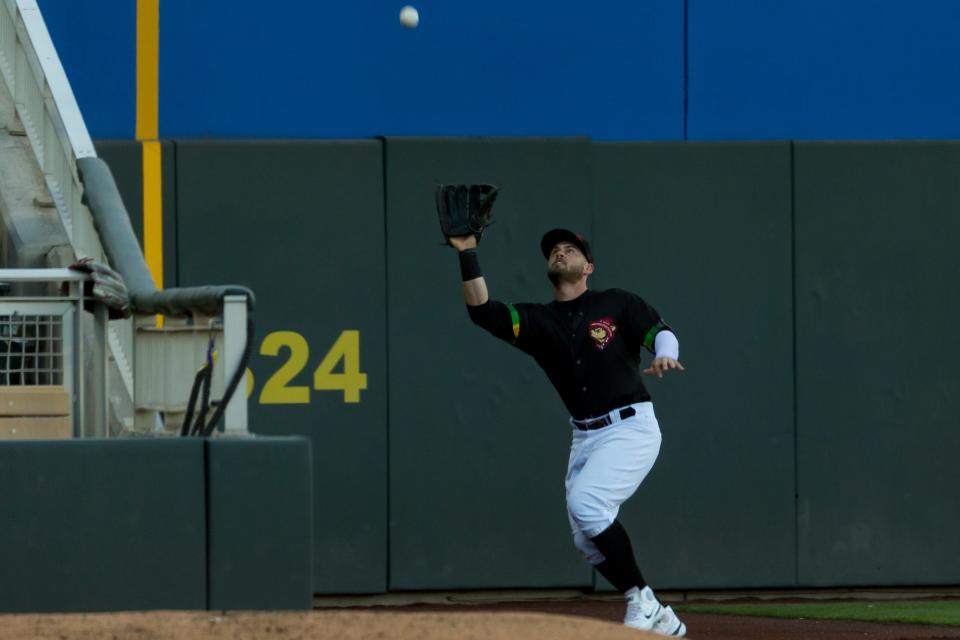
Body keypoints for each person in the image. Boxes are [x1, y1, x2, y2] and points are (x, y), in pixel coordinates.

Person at [449, 228, 687, 636]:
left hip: (631, 426)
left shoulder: (617, 302)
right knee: (586, 539)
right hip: (586, 437)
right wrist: (467, 253)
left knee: (588, 502)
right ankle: (658, 612)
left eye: (570, 249)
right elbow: (482, 311)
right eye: (554, 250)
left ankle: (640, 601)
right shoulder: (540, 321)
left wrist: (666, 354)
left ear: (588, 266)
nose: (560, 252)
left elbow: (660, 330)